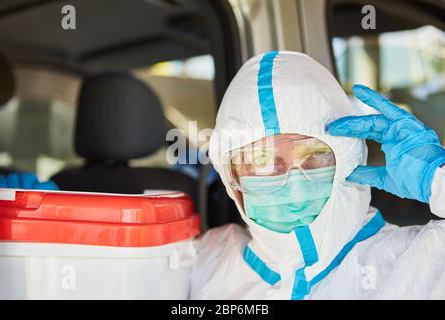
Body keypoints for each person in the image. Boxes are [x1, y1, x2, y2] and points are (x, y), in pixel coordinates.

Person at [190, 51, 445, 299]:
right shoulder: (208, 261)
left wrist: (438, 177)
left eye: (314, 155)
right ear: (231, 176)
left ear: (347, 157)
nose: (292, 182)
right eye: (262, 160)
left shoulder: (417, 263)